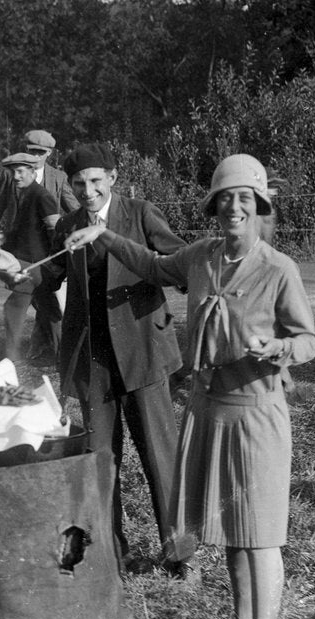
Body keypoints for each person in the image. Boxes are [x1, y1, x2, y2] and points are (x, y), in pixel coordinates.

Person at [64, 154, 315, 619]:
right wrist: (103, 237)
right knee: (227, 526)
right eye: (225, 199)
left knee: (261, 533)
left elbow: (310, 338)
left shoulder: (278, 269)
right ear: (214, 206)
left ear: (261, 206)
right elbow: (153, 266)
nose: (234, 208)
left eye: (245, 199)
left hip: (256, 413)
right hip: (209, 408)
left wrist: (281, 348)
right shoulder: (201, 257)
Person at [50, 143, 190, 572]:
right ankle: (112, 552)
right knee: (99, 459)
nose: (87, 191)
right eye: (78, 183)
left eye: (95, 180)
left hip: (144, 355)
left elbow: (179, 264)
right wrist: (16, 270)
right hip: (94, 361)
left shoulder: (141, 213)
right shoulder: (69, 224)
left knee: (160, 458)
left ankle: (179, 556)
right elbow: (48, 272)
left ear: (112, 176)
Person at [0, 152, 60, 362]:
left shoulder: (42, 196)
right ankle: (66, 354)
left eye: (20, 171)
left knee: (14, 307)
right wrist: (4, 241)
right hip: (27, 264)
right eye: (13, 172)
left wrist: (54, 266)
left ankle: (11, 359)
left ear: (33, 172)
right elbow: (25, 231)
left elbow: (56, 233)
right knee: (50, 313)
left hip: (36, 267)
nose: (15, 176)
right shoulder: (23, 195)